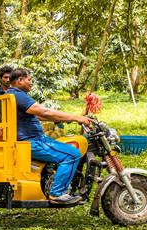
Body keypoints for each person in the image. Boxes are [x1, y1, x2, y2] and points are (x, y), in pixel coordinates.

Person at [6, 68, 93, 204]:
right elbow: (45, 112)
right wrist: (77, 117)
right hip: (32, 141)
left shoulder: (11, 95)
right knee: (72, 154)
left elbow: (39, 115)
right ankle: (57, 194)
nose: (31, 83)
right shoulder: (18, 95)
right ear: (20, 80)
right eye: (29, 80)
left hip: (30, 140)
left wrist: (66, 118)